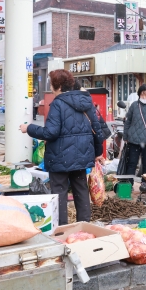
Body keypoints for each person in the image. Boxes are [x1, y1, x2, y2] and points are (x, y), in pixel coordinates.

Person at [19, 69, 103, 226]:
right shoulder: (86, 101)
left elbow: (51, 132)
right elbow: (96, 129)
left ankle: (63, 228)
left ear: (55, 85)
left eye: (51, 83)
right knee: (81, 190)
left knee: (60, 192)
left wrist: (28, 128)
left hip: (60, 158)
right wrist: (98, 153)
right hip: (82, 155)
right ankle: (84, 227)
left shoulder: (58, 104)